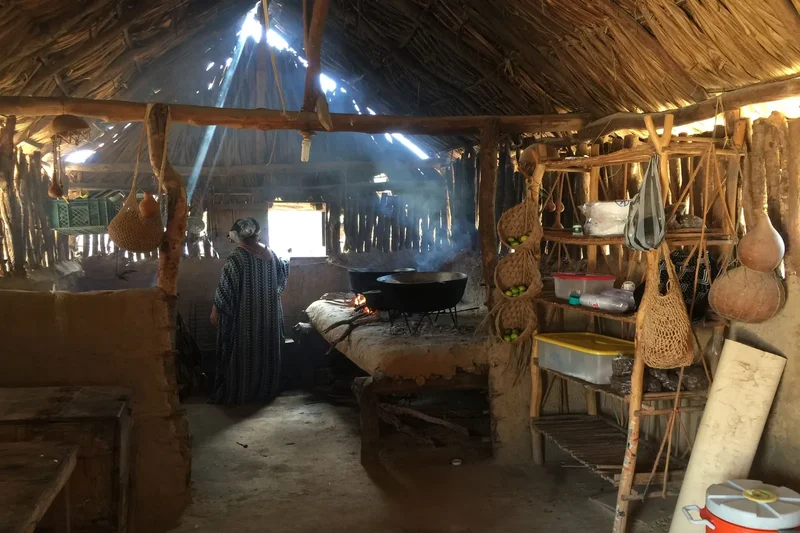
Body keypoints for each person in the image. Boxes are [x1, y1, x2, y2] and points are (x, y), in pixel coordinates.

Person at [210, 218, 289, 404]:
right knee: (265, 350)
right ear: (256, 233)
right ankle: (265, 389)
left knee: (244, 352)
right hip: (270, 315)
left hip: (246, 317)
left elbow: (226, 287)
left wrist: (216, 310)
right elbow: (281, 277)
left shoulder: (238, 256)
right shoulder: (270, 253)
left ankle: (243, 390)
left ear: (238, 235)